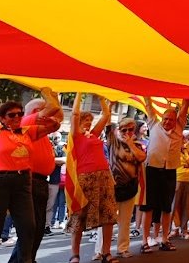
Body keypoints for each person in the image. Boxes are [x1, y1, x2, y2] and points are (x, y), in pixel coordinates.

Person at [0, 81, 60, 263]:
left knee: (28, 228)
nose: (17, 117)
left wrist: (52, 120)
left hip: (23, 181)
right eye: (11, 115)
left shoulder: (27, 132)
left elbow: (54, 126)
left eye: (19, 114)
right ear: (2, 118)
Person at [66, 94, 119, 263]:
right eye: (85, 120)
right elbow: (74, 114)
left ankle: (106, 252)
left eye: (90, 120)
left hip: (104, 176)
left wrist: (103, 99)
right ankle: (75, 255)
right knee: (79, 215)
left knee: (108, 213)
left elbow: (106, 116)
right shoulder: (75, 136)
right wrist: (80, 93)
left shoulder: (94, 135)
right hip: (84, 178)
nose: (89, 122)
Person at [139, 97, 189, 254]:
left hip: (169, 171)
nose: (168, 122)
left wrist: (186, 94)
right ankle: (145, 241)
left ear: (176, 121)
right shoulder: (153, 124)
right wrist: (147, 92)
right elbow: (148, 105)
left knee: (166, 207)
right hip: (152, 170)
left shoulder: (179, 128)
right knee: (149, 207)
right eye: (166, 119)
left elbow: (185, 105)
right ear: (162, 118)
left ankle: (164, 239)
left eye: (171, 120)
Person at [21, 90, 65, 263]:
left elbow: (58, 114)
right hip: (30, 180)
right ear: (37, 113)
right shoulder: (27, 122)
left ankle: (27, 259)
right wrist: (49, 92)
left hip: (39, 181)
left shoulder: (42, 130)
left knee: (37, 228)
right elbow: (56, 109)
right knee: (31, 228)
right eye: (48, 114)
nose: (54, 118)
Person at [103, 117, 146, 258]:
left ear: (134, 130)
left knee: (125, 220)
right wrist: (109, 105)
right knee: (107, 220)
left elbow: (141, 157)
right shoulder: (113, 142)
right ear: (119, 130)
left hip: (130, 187)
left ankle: (123, 248)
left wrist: (130, 144)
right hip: (112, 186)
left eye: (130, 129)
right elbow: (107, 122)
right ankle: (102, 251)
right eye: (124, 129)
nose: (127, 132)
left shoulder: (138, 145)